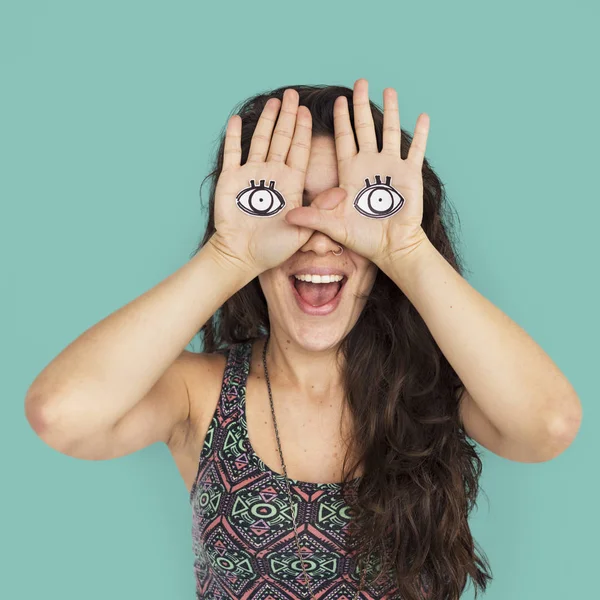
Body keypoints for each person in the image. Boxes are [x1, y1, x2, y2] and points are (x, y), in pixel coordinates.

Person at [24, 78, 582, 600]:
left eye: (349, 203)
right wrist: (230, 254)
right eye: (290, 203)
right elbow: (62, 414)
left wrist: (406, 251)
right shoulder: (200, 393)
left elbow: (548, 426)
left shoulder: (438, 387)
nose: (320, 238)